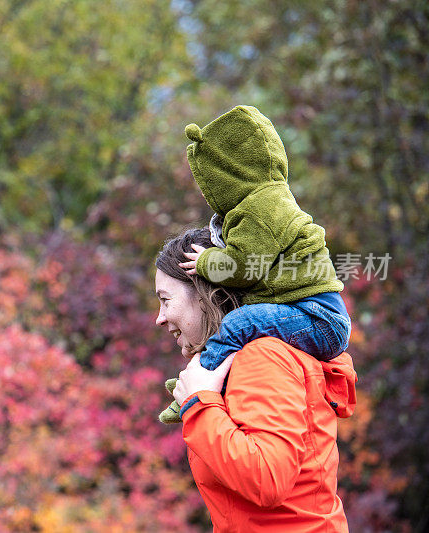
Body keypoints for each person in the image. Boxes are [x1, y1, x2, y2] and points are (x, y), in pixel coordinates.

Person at [155, 227, 357, 532]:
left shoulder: (262, 358)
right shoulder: (242, 362)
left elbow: (267, 479)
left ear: (206, 294)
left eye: (165, 300)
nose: (159, 317)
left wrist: (199, 406)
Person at [161, 105, 352, 423]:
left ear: (225, 170)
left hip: (318, 317)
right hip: (314, 314)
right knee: (244, 328)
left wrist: (207, 262)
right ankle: (205, 379)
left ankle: (197, 386)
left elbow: (245, 267)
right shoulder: (268, 200)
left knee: (240, 324)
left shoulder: (260, 206)